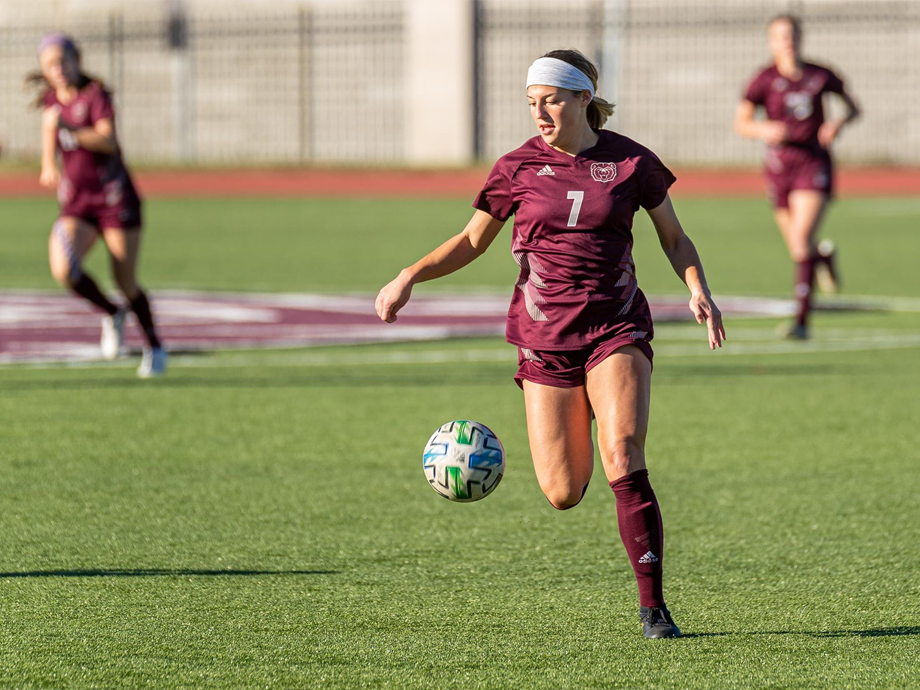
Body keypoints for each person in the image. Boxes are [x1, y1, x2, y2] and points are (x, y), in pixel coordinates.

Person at [376, 49, 725, 639]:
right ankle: (582, 415)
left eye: (551, 100)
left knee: (623, 451)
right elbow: (470, 241)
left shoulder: (632, 161)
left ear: (584, 99)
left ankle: (653, 608)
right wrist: (408, 275)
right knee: (563, 492)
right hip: (544, 337)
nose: (539, 112)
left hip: (616, 325)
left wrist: (698, 289)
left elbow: (674, 236)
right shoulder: (515, 167)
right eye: (532, 102)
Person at [27, 33, 166, 377]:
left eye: (63, 61)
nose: (58, 69)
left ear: (77, 60)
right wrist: (48, 164)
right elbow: (50, 129)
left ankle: (154, 345)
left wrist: (70, 127)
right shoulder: (51, 102)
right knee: (65, 270)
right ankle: (111, 313)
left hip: (115, 200)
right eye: (50, 65)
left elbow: (107, 140)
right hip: (78, 204)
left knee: (126, 281)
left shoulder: (95, 96)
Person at [735, 14, 860, 339]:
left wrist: (837, 123)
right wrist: (763, 129)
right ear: (771, 41)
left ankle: (802, 322)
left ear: (800, 38)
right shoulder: (763, 79)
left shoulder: (820, 75)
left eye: (791, 35)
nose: (787, 41)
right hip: (779, 168)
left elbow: (853, 107)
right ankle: (824, 259)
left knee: (801, 239)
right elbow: (742, 123)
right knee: (797, 248)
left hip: (813, 163)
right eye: (780, 36)